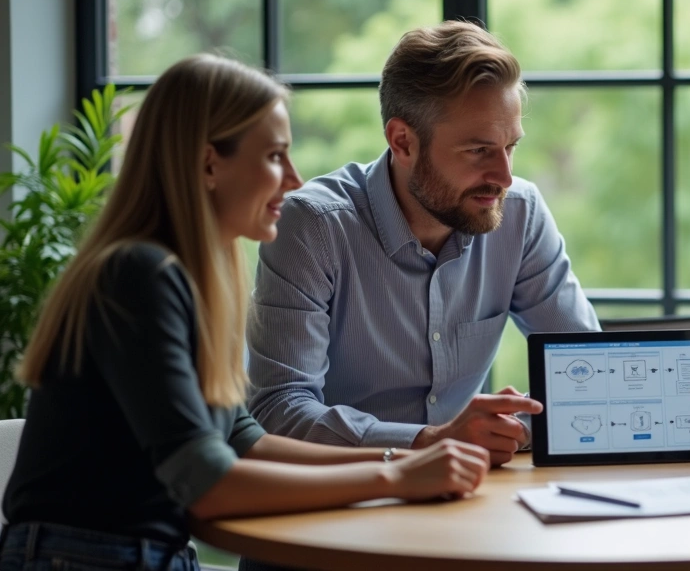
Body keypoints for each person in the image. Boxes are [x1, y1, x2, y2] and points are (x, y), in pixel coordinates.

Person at [0, 54, 491, 571]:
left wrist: (411, 457)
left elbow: (245, 441)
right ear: (209, 164)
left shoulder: (183, 276)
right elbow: (206, 483)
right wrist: (395, 477)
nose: (294, 180)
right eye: (276, 156)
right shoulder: (139, 275)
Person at [246, 21, 599, 467]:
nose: (504, 177)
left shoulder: (520, 213)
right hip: (345, 493)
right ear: (403, 142)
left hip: (467, 487)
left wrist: (506, 429)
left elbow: (588, 372)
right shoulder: (313, 227)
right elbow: (279, 410)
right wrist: (429, 441)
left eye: (510, 147)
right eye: (478, 151)